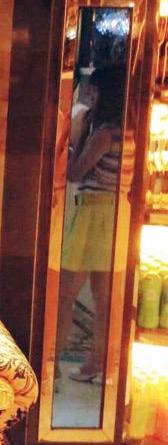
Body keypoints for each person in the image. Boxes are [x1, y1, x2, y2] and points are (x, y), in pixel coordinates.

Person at [55, 65, 125, 384]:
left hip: (92, 215)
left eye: (93, 89)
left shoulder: (103, 134)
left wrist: (73, 140)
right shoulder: (126, 131)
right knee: (104, 299)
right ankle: (98, 363)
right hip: (115, 214)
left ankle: (51, 362)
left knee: (64, 295)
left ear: (102, 93)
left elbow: (75, 172)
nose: (89, 95)